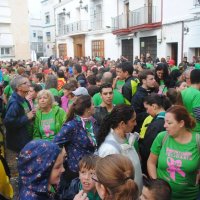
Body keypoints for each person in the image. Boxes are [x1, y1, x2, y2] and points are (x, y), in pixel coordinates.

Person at [148, 105, 200, 200]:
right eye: (164, 122)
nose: (164, 125)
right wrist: (156, 185)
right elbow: (151, 162)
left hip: (189, 197)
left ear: (181, 123)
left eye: (169, 123)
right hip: (163, 197)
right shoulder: (162, 137)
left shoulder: (197, 140)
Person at [53, 95, 98, 188]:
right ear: (87, 109)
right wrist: (61, 160)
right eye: (93, 104)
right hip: (77, 172)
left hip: (92, 169)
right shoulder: (71, 126)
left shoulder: (92, 122)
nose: (95, 106)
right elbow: (55, 144)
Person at [97, 104, 143, 192]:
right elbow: (109, 182)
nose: (135, 123)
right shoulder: (109, 149)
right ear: (122, 124)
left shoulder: (128, 138)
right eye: (133, 121)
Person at [140, 93, 171, 174]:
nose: (147, 111)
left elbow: (147, 148)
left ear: (154, 106)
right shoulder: (169, 120)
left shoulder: (156, 124)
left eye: (147, 108)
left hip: (156, 164)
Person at [4, 75, 35, 153]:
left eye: (28, 82)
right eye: (25, 83)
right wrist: (27, 117)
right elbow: (8, 122)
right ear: (19, 88)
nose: (29, 84)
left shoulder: (24, 99)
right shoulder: (15, 103)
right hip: (20, 141)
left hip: (26, 136)